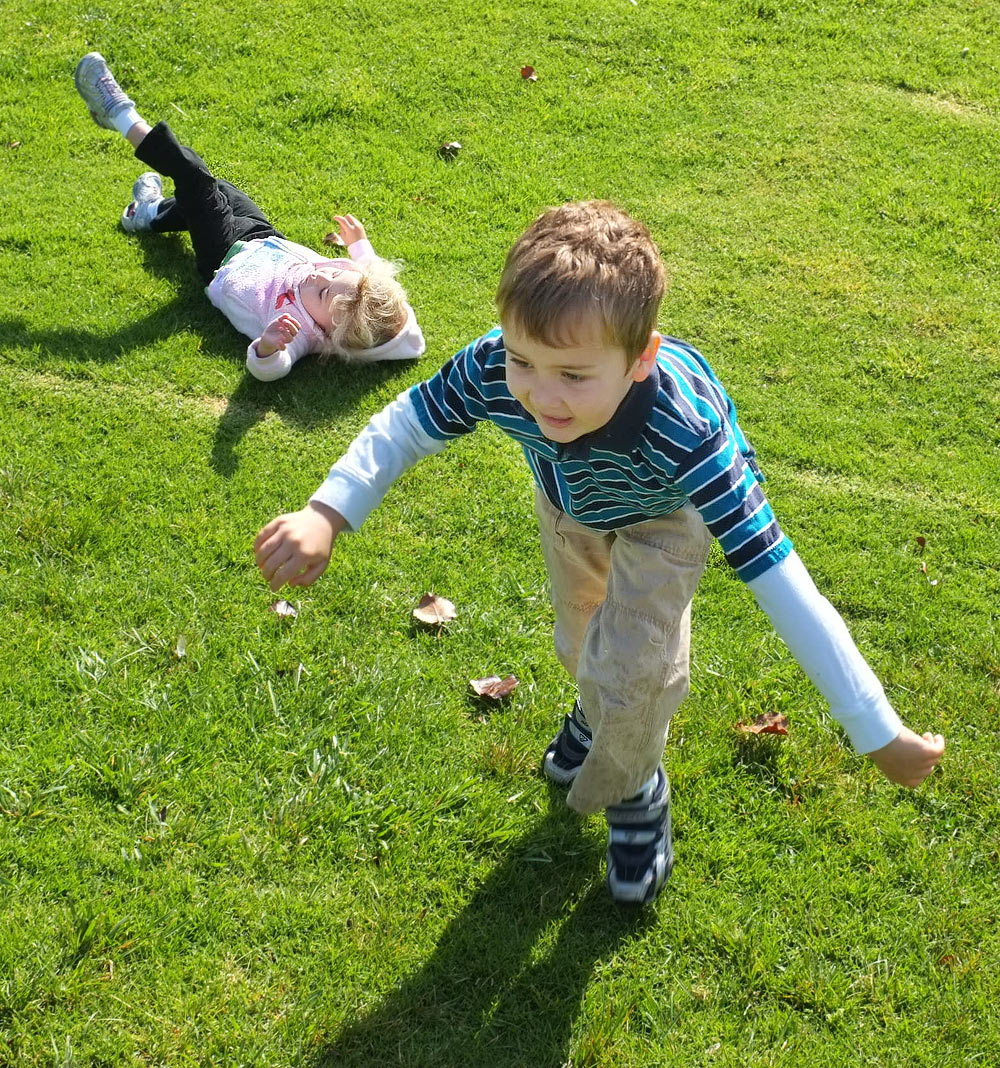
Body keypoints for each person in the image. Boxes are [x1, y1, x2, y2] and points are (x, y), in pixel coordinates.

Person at [254, 200, 945, 905]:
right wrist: (327, 511)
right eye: (525, 359)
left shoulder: (688, 433)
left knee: (636, 667)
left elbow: (780, 580)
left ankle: (636, 788)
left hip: (666, 516)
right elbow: (407, 424)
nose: (541, 395)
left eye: (575, 376)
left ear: (640, 359)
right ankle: (598, 714)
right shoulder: (496, 367)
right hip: (570, 505)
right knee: (582, 637)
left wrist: (875, 728)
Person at [73, 53, 425, 381]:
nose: (320, 273)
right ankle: (148, 214)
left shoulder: (301, 332)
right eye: (333, 273)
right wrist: (359, 244)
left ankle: (118, 112)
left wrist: (268, 345)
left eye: (320, 291)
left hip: (222, 259)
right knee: (211, 188)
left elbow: (271, 369)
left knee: (195, 179)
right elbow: (371, 271)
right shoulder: (352, 290)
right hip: (262, 236)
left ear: (329, 335)